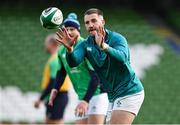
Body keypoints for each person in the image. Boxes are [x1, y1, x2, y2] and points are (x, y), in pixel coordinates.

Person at [55, 8, 145, 124]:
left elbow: (123, 59)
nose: (90, 25)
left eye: (94, 21)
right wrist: (69, 50)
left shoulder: (117, 38)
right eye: (87, 22)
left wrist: (104, 46)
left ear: (102, 22)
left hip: (129, 91)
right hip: (112, 96)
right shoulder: (85, 44)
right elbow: (73, 62)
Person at [48, 13, 109, 124]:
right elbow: (61, 72)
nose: (69, 32)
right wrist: (55, 88)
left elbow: (96, 77)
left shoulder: (87, 46)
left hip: (96, 94)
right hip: (81, 96)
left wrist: (86, 101)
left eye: (72, 29)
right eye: (66, 29)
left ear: (79, 31)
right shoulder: (61, 50)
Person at [34, 34, 69, 124]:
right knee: (50, 121)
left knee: (54, 122)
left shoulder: (55, 60)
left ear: (51, 44)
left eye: (47, 43)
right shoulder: (57, 58)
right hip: (57, 96)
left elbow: (53, 82)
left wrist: (40, 99)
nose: (46, 46)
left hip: (57, 96)